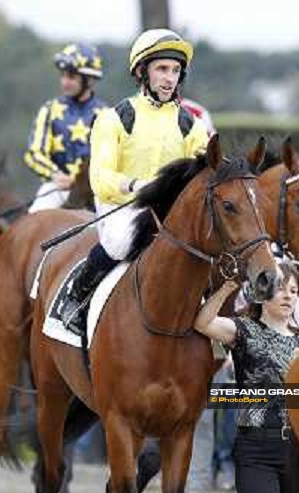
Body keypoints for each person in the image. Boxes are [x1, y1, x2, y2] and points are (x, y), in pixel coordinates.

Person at [60, 28, 208, 336]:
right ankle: (76, 296)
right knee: (122, 241)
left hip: (170, 213)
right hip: (121, 206)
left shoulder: (191, 126)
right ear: (142, 72)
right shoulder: (113, 118)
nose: (170, 78)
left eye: (175, 70)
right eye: (162, 69)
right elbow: (100, 179)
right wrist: (135, 186)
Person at [194, 262, 299, 493]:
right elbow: (202, 322)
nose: (288, 296)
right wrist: (227, 288)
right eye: (282, 288)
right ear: (262, 293)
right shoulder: (244, 330)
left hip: (297, 453)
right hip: (255, 449)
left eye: (294, 291)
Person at [24, 43, 106, 213]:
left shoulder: (106, 114)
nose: (64, 82)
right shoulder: (49, 109)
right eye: (63, 75)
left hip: (95, 193)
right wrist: (55, 174)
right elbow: (34, 153)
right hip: (57, 189)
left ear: (89, 80)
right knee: (34, 220)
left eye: (71, 77)